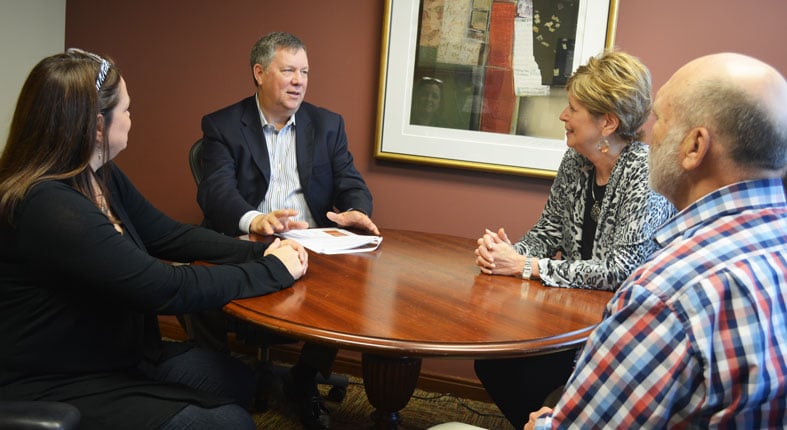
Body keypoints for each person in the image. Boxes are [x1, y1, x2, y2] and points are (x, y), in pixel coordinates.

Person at [0, 49, 308, 430]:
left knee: (235, 381)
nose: (131, 119)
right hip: (60, 379)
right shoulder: (48, 207)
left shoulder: (99, 174)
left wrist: (260, 249)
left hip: (118, 352)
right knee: (230, 423)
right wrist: (271, 270)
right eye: (126, 110)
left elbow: (169, 234)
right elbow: (163, 288)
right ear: (98, 127)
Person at [526, 52, 787, 429]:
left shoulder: (665, 293)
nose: (649, 133)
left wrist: (546, 423)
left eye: (661, 119)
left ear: (695, 147)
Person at [183, 32, 378, 430]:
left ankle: (302, 379)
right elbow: (215, 190)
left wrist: (357, 210)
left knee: (353, 288)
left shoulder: (327, 125)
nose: (299, 80)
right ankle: (219, 378)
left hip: (310, 246)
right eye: (288, 70)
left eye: (304, 71)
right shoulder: (223, 125)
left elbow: (350, 182)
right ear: (259, 72)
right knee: (196, 279)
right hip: (248, 243)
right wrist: (255, 220)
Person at [472, 51, 675, 429]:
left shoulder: (645, 174)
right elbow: (548, 230)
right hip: (572, 315)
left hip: (623, 332)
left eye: (573, 108)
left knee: (527, 376)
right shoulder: (576, 160)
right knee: (493, 363)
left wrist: (525, 266)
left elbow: (622, 270)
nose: (563, 116)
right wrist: (507, 254)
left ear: (608, 123)